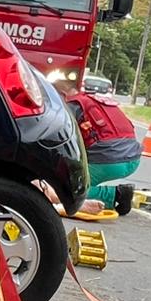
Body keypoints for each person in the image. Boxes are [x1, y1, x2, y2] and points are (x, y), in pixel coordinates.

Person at [51, 78, 140, 215]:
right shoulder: (93, 100)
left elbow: (61, 139)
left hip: (110, 161)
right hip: (134, 158)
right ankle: (114, 195)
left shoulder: (73, 105)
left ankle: (116, 195)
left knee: (66, 187)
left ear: (62, 95)